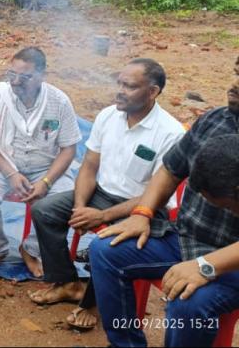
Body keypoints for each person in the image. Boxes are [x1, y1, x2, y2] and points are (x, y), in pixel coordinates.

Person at [29, 59, 184, 329]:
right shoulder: (108, 115)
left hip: (143, 207)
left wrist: (102, 216)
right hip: (101, 193)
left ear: (153, 92)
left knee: (109, 244)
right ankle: (67, 282)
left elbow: (157, 194)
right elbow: (89, 166)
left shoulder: (170, 133)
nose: (120, 91)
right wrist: (79, 207)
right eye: (119, 83)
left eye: (130, 86)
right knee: (44, 210)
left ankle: (91, 302)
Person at [90, 78, 239, 347]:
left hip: (233, 260)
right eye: (238, 71)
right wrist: (142, 212)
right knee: (105, 250)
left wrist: (205, 266)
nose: (235, 83)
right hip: (186, 239)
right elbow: (171, 168)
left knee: (188, 303)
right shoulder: (215, 120)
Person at [0, 47, 81, 276]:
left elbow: (68, 148)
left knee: (67, 200)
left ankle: (30, 249)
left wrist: (47, 182)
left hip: (46, 168)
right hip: (4, 164)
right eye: (12, 74)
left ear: (42, 75)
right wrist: (10, 173)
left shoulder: (59, 101)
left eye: (25, 77)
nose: (15, 82)